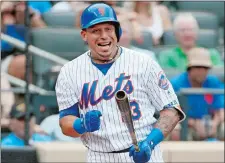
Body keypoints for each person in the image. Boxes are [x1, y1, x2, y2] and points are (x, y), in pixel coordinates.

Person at [55, 3, 185, 163]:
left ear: (117, 31)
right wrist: (81, 124)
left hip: (144, 155)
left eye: (108, 29)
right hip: (99, 156)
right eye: (96, 31)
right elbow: (65, 122)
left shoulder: (143, 63)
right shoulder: (69, 71)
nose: (104, 36)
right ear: (84, 35)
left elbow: (172, 110)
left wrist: (151, 142)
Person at [170, 47, 224, 141]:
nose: (202, 71)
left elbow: (220, 109)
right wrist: (193, 123)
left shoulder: (213, 82)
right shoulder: (176, 83)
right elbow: (172, 113)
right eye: (198, 67)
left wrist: (215, 123)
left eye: (205, 68)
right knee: (175, 130)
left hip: (210, 123)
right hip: (186, 124)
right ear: (189, 68)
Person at [158, 13, 223, 71]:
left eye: (191, 30)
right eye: (182, 30)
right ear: (175, 34)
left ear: (197, 32)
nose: (187, 34)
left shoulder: (212, 54)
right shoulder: (166, 56)